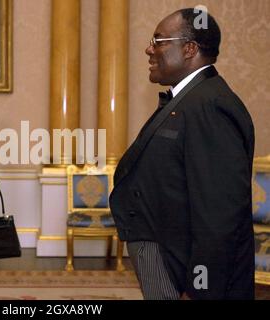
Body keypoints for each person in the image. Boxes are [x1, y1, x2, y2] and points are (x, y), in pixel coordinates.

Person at [109, 8, 255, 300]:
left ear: (189, 49)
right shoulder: (191, 99)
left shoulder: (210, 106)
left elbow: (219, 217)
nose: (148, 49)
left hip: (182, 269)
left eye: (159, 40)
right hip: (167, 256)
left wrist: (199, 290)